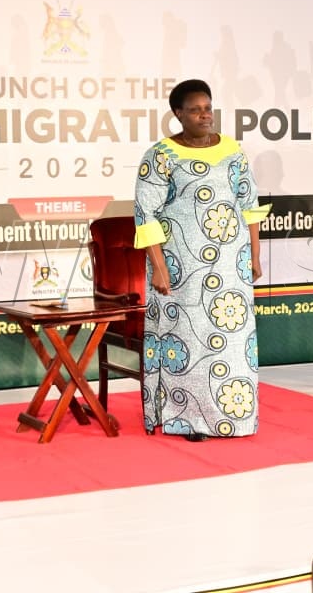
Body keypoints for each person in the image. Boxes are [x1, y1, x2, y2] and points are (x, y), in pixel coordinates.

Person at [134, 79, 270, 440]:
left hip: (231, 265)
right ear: (177, 114)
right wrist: (160, 268)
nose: (204, 115)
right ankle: (187, 417)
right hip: (180, 266)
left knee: (232, 340)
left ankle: (236, 418)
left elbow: (249, 203)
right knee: (191, 342)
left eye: (208, 108)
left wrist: (254, 255)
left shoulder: (232, 150)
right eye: (195, 109)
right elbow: (145, 214)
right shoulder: (161, 155)